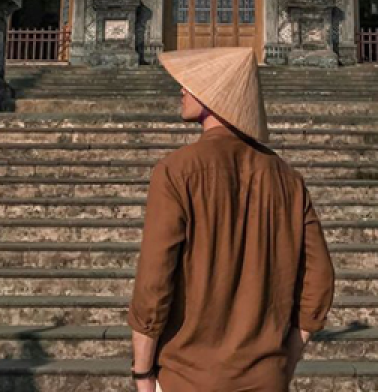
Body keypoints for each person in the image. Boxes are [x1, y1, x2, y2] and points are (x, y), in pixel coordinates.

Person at [128, 47, 335, 392]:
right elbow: (320, 280)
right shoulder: (287, 179)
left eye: (190, 84)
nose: (181, 90)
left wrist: (142, 372)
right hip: (265, 377)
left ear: (213, 96)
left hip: (188, 376)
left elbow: (154, 281)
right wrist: (287, 357)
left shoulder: (177, 171)